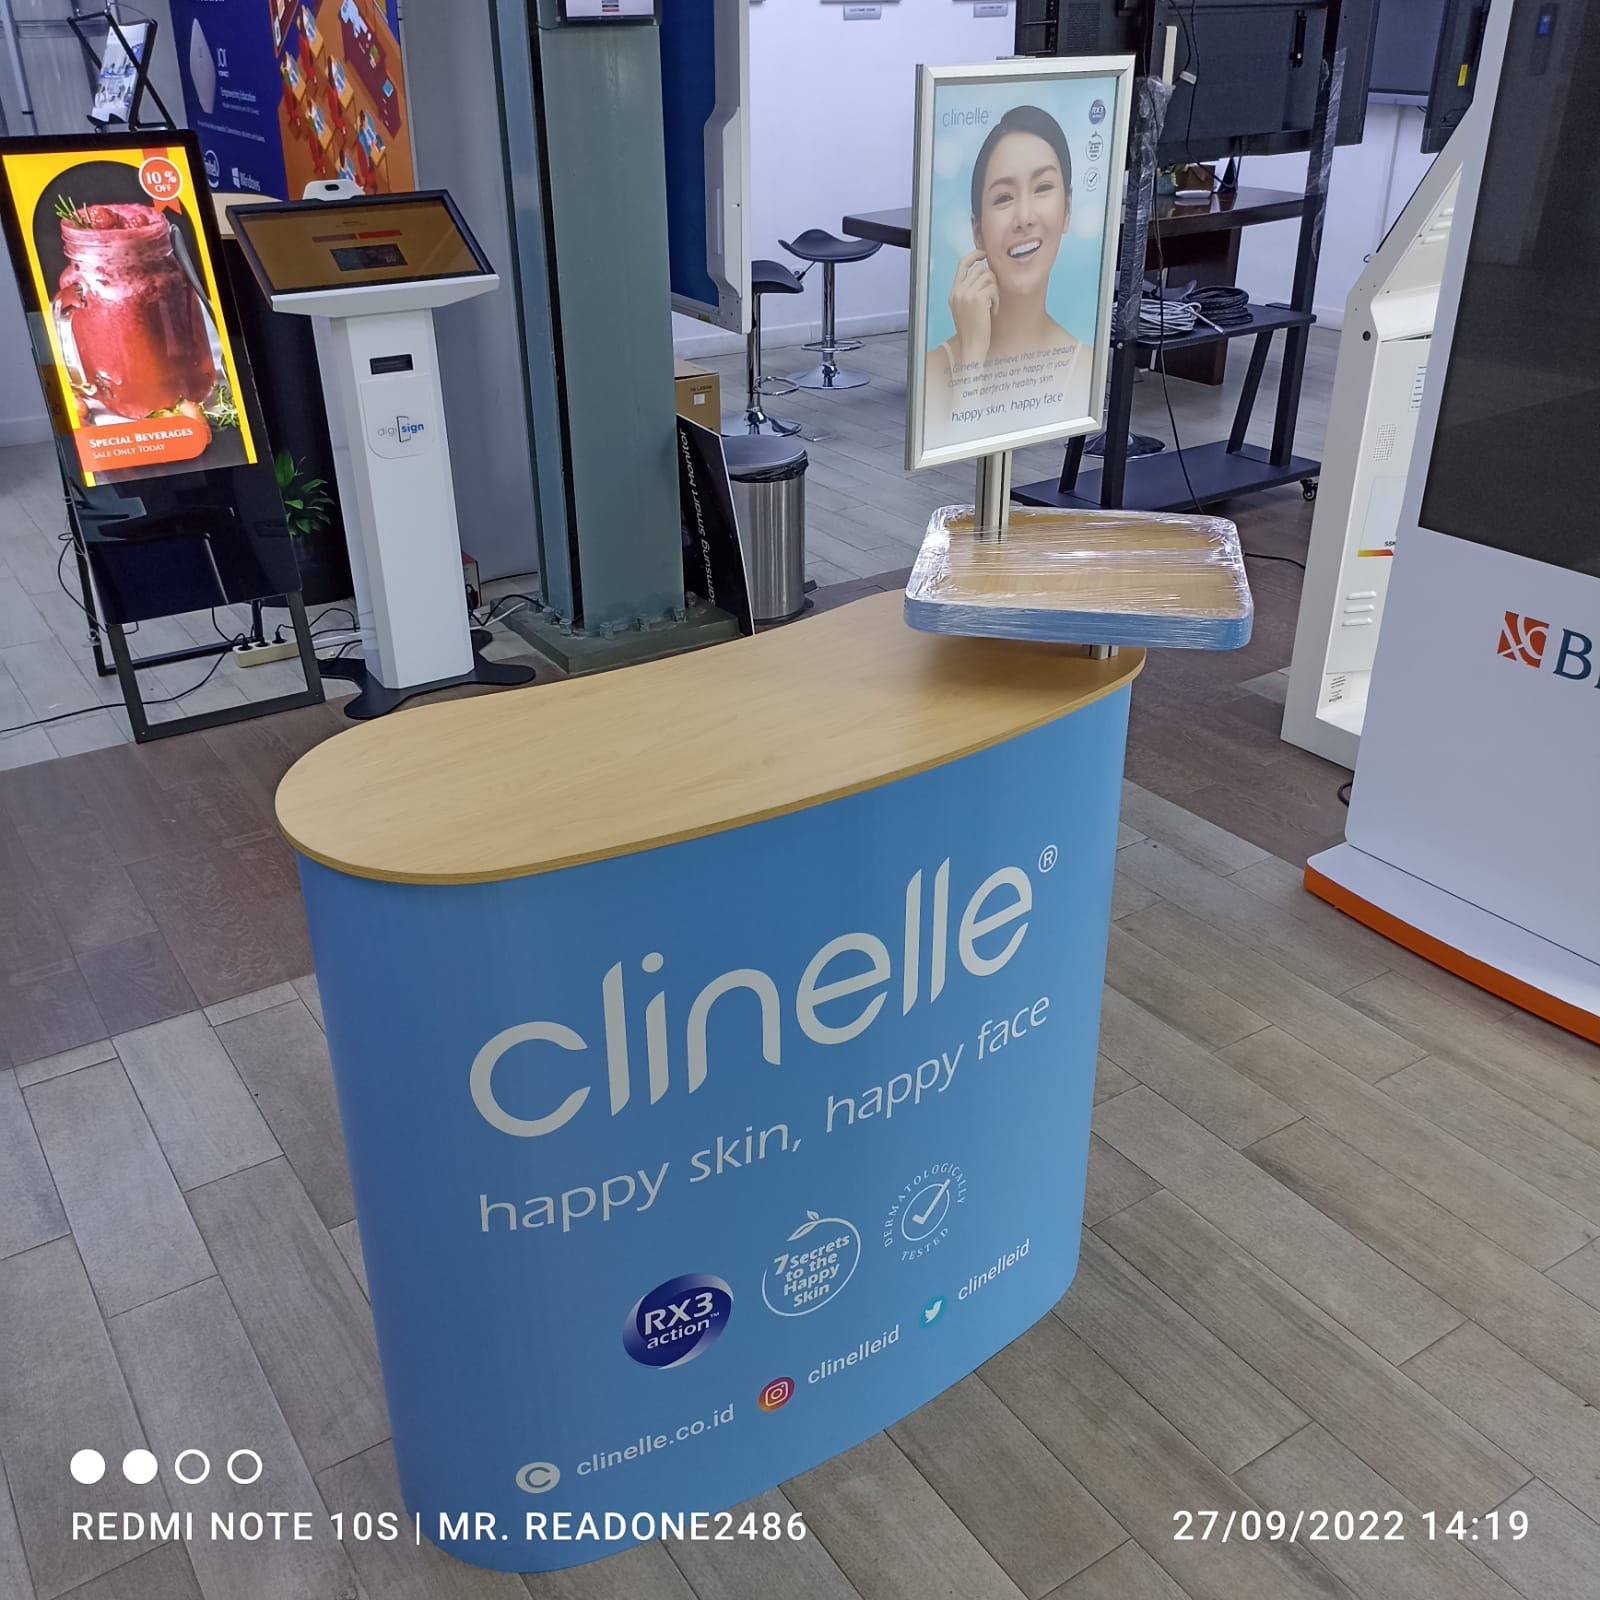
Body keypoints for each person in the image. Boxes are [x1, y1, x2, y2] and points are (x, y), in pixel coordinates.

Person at [924, 104, 1091, 452]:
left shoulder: (1085, 367)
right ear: (978, 231)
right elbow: (957, 452)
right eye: (1003, 198)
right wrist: (972, 355)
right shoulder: (934, 371)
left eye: (1042, 187)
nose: (1024, 217)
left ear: (1067, 209)